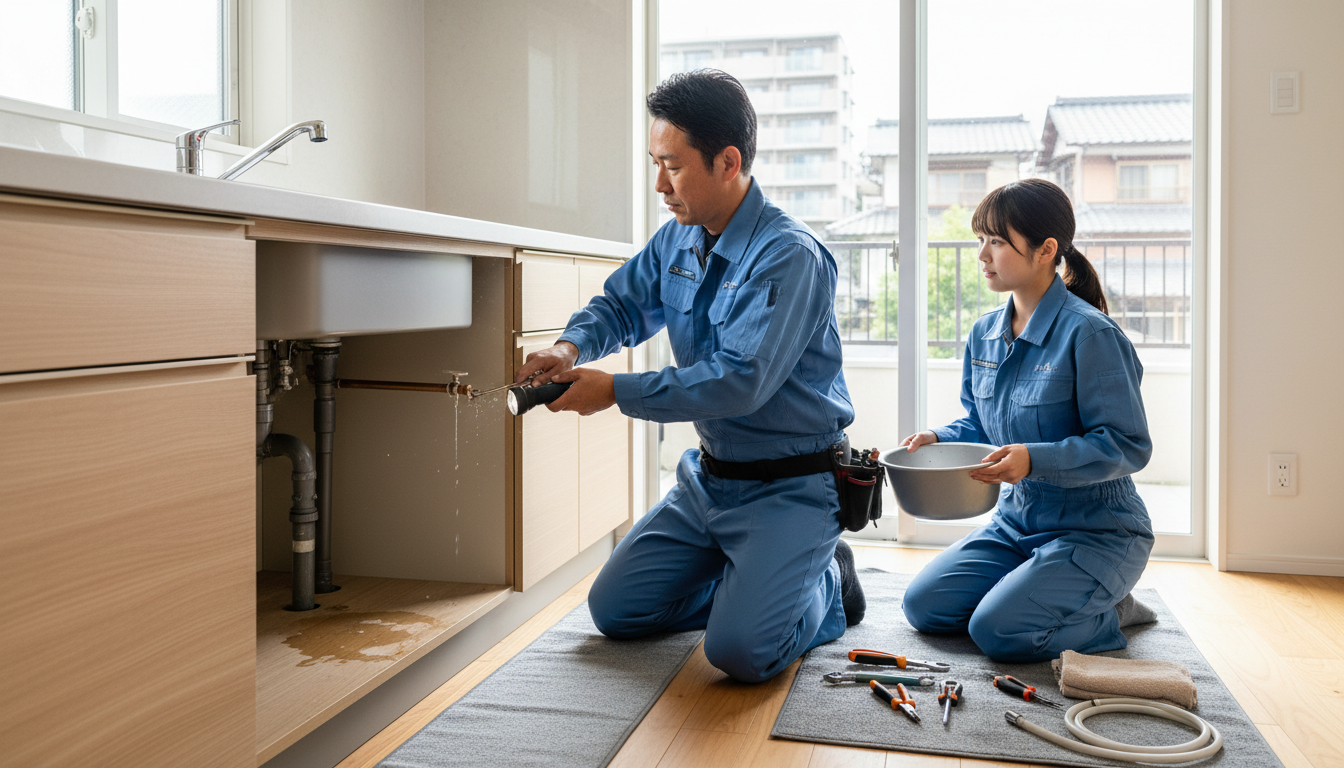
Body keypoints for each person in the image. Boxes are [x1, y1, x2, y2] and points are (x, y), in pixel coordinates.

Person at [513, 69, 864, 683]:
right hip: (709, 482)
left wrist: (614, 393)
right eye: (655, 163)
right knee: (616, 611)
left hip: (793, 487)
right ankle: (754, 589)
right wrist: (571, 348)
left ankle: (825, 581)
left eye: (671, 166)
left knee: (740, 654)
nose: (659, 184)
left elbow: (737, 382)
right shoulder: (678, 238)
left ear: (727, 162)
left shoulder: (789, 256)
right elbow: (621, 305)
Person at [899, 178, 1157, 664]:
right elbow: (980, 423)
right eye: (982, 240)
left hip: (1097, 532)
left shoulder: (1091, 335)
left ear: (1046, 250)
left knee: (996, 632)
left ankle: (1111, 612)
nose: (982, 256)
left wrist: (1032, 459)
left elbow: (1127, 446)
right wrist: (938, 437)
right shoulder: (984, 334)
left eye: (996, 242)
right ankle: (1042, 594)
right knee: (923, 606)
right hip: (1016, 522)